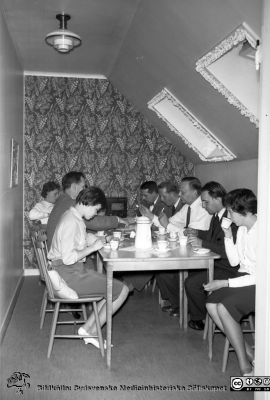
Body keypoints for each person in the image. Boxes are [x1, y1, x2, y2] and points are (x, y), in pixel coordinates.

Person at [48, 187, 129, 349]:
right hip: (69, 274)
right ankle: (90, 330)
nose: (96, 214)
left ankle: (88, 330)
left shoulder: (73, 216)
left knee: (111, 288)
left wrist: (91, 239)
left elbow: (75, 240)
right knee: (122, 290)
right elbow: (69, 258)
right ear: (89, 203)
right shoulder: (71, 221)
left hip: (70, 271)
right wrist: (92, 248)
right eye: (97, 209)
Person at [205, 189, 257, 376]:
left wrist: (225, 283)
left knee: (223, 308)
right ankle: (251, 355)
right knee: (211, 304)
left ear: (244, 211)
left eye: (231, 212)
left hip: (261, 285)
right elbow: (235, 262)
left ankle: (245, 366)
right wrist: (228, 236)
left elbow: (262, 275)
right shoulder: (242, 229)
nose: (228, 215)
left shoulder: (263, 231)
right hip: (243, 278)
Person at [184, 181, 239, 330]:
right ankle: (196, 309)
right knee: (191, 273)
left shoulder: (232, 219)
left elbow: (227, 251)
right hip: (218, 262)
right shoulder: (216, 216)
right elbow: (212, 237)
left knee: (192, 283)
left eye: (205, 202)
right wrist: (196, 233)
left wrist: (201, 242)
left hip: (229, 268)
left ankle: (200, 318)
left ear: (218, 199)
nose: (203, 206)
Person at [153, 177, 212, 318]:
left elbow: (190, 233)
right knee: (161, 270)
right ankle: (178, 304)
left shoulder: (203, 209)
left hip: (200, 252)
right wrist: (161, 221)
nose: (180, 194)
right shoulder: (187, 207)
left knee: (167, 273)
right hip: (187, 249)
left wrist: (168, 225)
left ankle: (184, 306)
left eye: (183, 192)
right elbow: (170, 223)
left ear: (195, 192)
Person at [46, 171, 128, 250]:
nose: (85, 190)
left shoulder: (62, 200)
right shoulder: (71, 204)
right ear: (74, 187)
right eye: (83, 186)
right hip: (62, 259)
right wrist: (117, 219)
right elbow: (95, 222)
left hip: (60, 253)